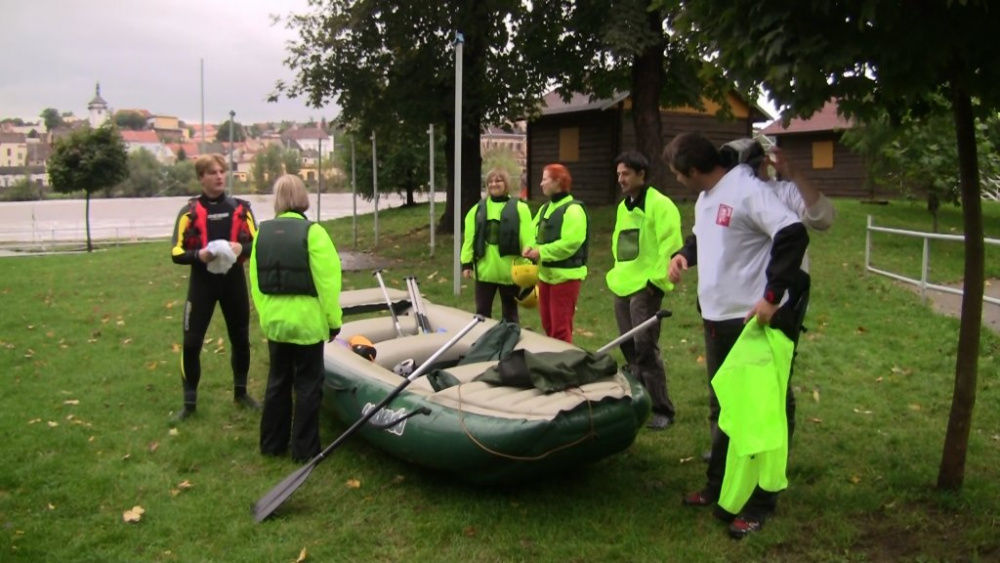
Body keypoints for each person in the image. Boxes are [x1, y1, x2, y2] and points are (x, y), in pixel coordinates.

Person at [664, 132, 809, 539]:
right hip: (715, 319)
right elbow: (703, 235)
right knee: (724, 408)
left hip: (752, 325)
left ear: (694, 171)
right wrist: (684, 255)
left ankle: (760, 503)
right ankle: (720, 487)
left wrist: (771, 296)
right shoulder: (706, 195)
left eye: (678, 174)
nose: (677, 180)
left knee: (760, 416)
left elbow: (793, 232)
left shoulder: (746, 189)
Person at [249, 174, 343, 462]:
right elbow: (328, 282)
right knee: (308, 385)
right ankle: (304, 449)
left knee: (277, 382)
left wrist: (267, 317)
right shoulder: (314, 233)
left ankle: (272, 443)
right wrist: (333, 321)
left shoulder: (260, 234)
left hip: (276, 323)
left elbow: (256, 283)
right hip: (307, 324)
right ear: (303, 198)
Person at [169, 154, 259, 422]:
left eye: (222, 171)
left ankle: (241, 393)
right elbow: (175, 252)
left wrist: (241, 247)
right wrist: (198, 256)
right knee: (191, 342)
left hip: (233, 283)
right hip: (202, 285)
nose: (219, 176)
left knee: (241, 340)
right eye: (212, 172)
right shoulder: (188, 212)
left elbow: (259, 244)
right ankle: (189, 404)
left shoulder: (241, 208)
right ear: (201, 178)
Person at [605, 151, 683, 431]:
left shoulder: (661, 206)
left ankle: (662, 408)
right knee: (629, 346)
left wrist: (656, 283)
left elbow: (670, 245)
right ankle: (639, 402)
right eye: (618, 174)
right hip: (623, 285)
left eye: (625, 174)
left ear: (641, 174)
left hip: (646, 288)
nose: (621, 179)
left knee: (645, 347)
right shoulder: (623, 206)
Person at [522, 164, 588, 343]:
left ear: (558, 182)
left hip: (565, 277)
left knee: (560, 328)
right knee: (548, 325)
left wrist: (542, 252)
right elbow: (535, 233)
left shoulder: (573, 210)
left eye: (545, 179)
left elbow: (571, 242)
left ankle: (564, 364)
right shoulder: (545, 208)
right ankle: (553, 360)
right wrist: (529, 246)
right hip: (545, 277)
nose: (541, 183)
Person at [461, 168, 535, 323]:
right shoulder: (477, 210)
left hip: (510, 272)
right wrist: (466, 264)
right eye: (491, 181)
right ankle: (484, 341)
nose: (494, 184)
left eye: (498, 180)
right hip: (484, 271)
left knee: (510, 313)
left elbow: (528, 235)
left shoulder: (520, 208)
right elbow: (469, 239)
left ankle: (509, 342)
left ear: (506, 183)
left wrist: (529, 255)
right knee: (482, 312)